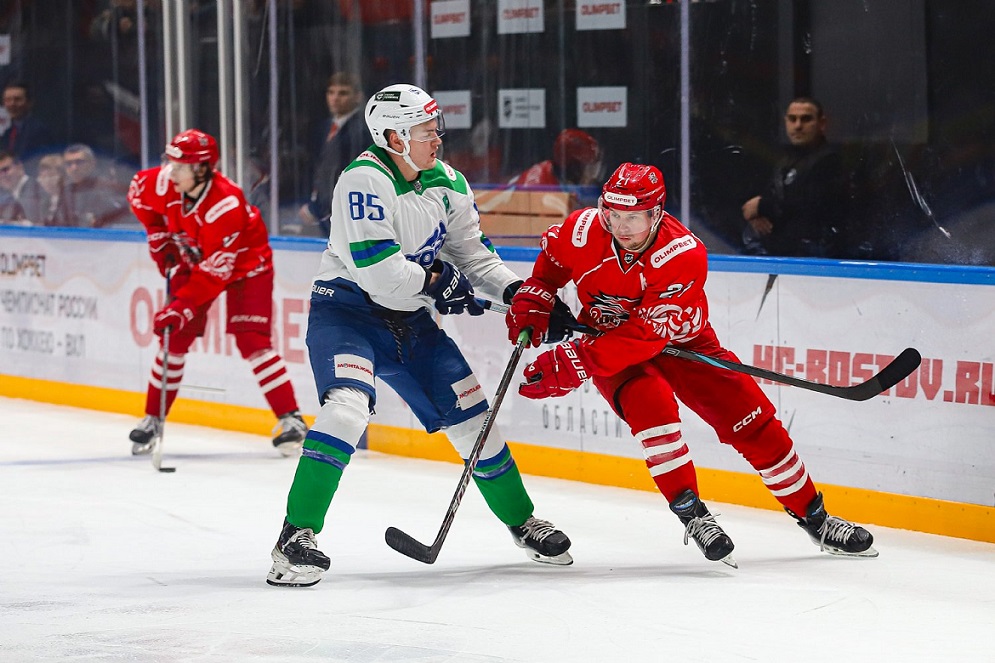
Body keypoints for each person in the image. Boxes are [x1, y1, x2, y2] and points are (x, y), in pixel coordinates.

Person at [266, 84, 573, 588]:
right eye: (425, 131)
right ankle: (295, 536)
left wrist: (520, 294)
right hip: (347, 313)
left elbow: (473, 257)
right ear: (394, 137)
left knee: (475, 423)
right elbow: (380, 275)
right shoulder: (362, 181)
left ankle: (523, 522)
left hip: (411, 322)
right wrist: (437, 282)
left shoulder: (448, 182)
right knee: (346, 409)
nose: (437, 138)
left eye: (435, 129)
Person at [506, 161, 877, 568]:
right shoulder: (582, 230)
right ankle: (693, 515)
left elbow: (646, 335)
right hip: (611, 343)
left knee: (752, 422)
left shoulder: (681, 253)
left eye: (633, 217)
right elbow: (552, 267)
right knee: (653, 408)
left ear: (656, 213)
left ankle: (817, 520)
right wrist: (536, 295)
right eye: (613, 214)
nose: (621, 227)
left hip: (683, 343)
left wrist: (579, 361)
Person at [126, 128, 308, 457]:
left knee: (252, 339)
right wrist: (157, 233)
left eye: (180, 166)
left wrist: (180, 306)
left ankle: (291, 419)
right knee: (174, 338)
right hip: (194, 258)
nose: (171, 171)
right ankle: (153, 418)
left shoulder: (225, 205)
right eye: (171, 163)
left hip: (246, 267)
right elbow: (138, 195)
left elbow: (213, 274)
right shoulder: (162, 182)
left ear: (202, 169)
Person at [740, 97, 846, 257]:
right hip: (781, 253)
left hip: (813, 256)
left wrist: (762, 206)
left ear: (822, 123)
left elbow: (811, 204)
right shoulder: (785, 160)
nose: (798, 126)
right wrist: (758, 217)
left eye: (806, 119)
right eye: (792, 119)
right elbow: (771, 194)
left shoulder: (829, 161)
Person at [298, 72, 373, 237]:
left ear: (358, 97)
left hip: (345, 215)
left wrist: (316, 209)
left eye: (343, 93)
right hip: (322, 212)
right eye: (331, 92)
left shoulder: (361, 131)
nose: (335, 98)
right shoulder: (323, 128)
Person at [63, 143, 132, 228]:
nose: (74, 168)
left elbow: (127, 216)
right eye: (69, 163)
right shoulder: (64, 192)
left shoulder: (108, 189)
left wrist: (102, 220)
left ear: (92, 163)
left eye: (79, 162)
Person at [509, 128, 603, 189]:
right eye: (590, 168)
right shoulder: (538, 187)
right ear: (574, 168)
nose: (593, 176)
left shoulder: (560, 181)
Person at [0, 81, 54, 162]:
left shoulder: (39, 131)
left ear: (29, 103)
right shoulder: (3, 129)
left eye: (17, 100)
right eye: (8, 100)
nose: (12, 104)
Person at [0, 150, 44, 223]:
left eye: (5, 170)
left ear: (19, 167)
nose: (2, 175)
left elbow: (34, 222)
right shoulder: (7, 198)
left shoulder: (35, 189)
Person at [35, 153, 71, 226]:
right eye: (43, 177)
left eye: (51, 176)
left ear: (63, 177)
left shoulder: (70, 200)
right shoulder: (43, 201)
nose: (47, 181)